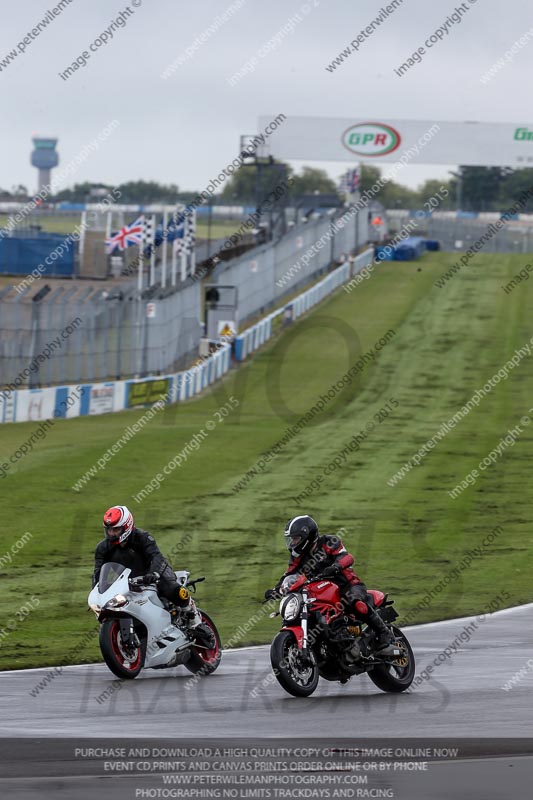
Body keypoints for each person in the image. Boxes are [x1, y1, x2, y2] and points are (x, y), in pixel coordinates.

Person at [264, 515, 395, 655]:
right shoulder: (298, 556)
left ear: (307, 536)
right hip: (319, 590)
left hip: (347, 584)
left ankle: (384, 634)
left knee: (356, 603)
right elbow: (289, 574)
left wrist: (336, 566)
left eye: (295, 539)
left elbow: (347, 557)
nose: (292, 543)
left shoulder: (329, 542)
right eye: (291, 540)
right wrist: (277, 589)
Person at [92, 505, 214, 648]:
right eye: (109, 529)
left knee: (171, 589)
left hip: (155, 573)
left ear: (127, 526)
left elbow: (156, 556)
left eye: (116, 529)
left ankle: (194, 618)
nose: (111, 533)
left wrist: (153, 573)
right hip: (128, 582)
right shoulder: (102, 548)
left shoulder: (143, 537)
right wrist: (97, 593)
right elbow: (98, 573)